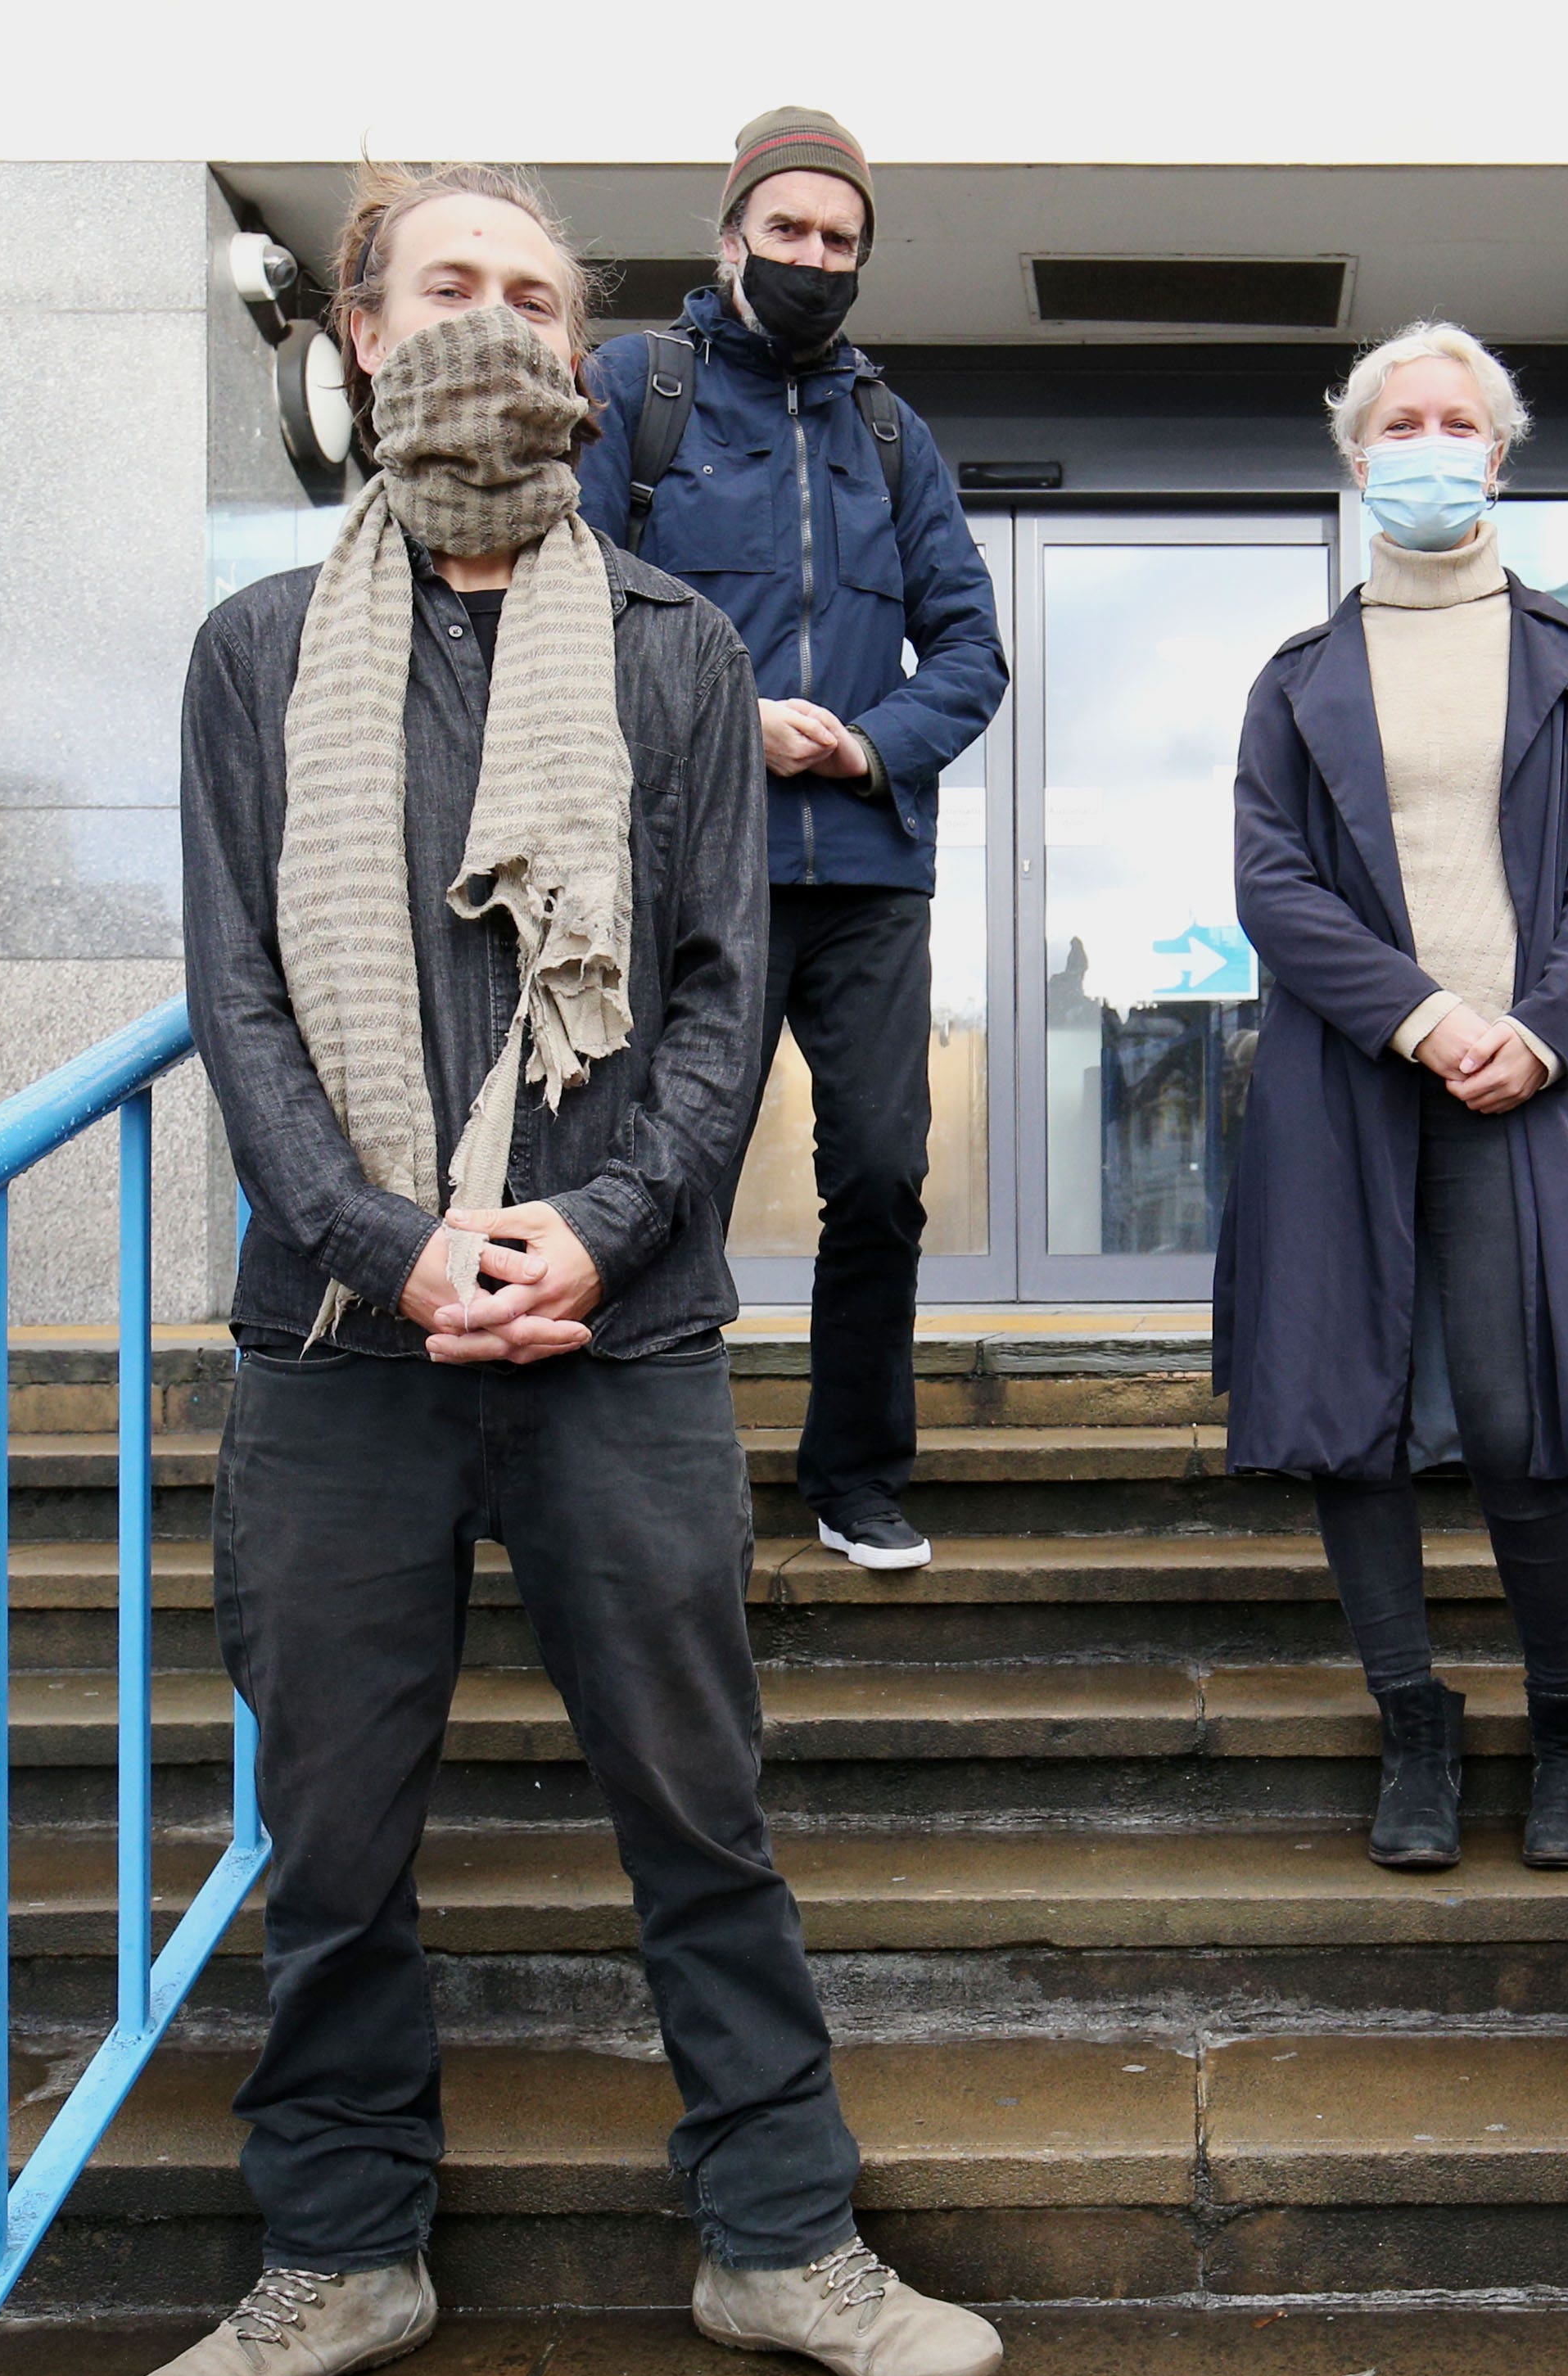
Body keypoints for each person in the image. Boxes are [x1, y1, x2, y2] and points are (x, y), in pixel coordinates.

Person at [117, 160, 1000, 2376]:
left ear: (591, 359)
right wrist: (374, 1235)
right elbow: (239, 994)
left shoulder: (685, 655)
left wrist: (594, 1229)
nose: (492, 325)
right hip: (338, 1347)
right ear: (358, 328)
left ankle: (782, 2235)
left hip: (624, 1333)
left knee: (701, 1814)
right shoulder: (250, 657)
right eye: (448, 288)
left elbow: (722, 1003)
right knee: (332, 1836)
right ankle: (334, 2261)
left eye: (534, 294)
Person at [1216, 323, 1568, 1877]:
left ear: (1500, 453)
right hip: (1352, 1084)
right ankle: (1412, 1720)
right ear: (1355, 455)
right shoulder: (1298, 677)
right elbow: (1270, 883)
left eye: (1458, 420)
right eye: (1401, 421)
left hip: (1520, 1090)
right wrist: (1422, 1017)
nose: (1430, 441)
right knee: (1354, 1427)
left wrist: (1533, 1033)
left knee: (1524, 1426)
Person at [579, 106, 1007, 1577]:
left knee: (881, 1173)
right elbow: (574, 614)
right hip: (698, 864)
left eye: (841, 240)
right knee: (663, 1174)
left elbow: (970, 646)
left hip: (871, 871)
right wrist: (729, 717)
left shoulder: (896, 432)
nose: (815, 259)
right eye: (789, 232)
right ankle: (646, 1472)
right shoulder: (638, 391)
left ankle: (857, 1476)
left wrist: (876, 737)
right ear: (731, 236)